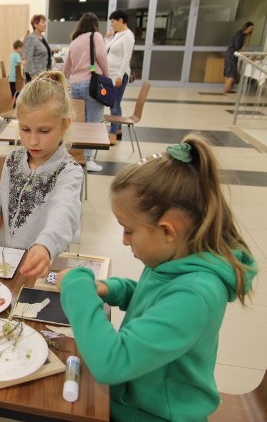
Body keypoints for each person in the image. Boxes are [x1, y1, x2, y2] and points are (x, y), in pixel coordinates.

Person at [58, 135, 257, 421]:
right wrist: (114, 289)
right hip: (135, 398)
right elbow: (152, 298)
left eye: (128, 230)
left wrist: (77, 286)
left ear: (167, 230)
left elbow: (110, 363)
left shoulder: (196, 295)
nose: (125, 241)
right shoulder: (174, 257)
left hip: (155, 414)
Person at [0, 71, 84, 280]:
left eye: (44, 131)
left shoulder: (68, 171)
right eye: (25, 129)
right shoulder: (13, 159)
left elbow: (65, 212)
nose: (33, 140)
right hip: (5, 262)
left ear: (65, 125)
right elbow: (5, 195)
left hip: (42, 265)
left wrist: (45, 245)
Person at [63, 12, 109, 172]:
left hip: (75, 84)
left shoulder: (74, 40)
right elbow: (102, 56)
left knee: (78, 122)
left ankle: (75, 156)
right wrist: (107, 75)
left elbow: (67, 66)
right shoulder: (95, 36)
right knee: (93, 123)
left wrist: (63, 80)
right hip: (92, 83)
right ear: (95, 24)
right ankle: (88, 159)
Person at [105, 9, 135, 144]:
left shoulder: (128, 35)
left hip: (119, 75)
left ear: (121, 20)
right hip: (111, 74)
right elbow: (106, 50)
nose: (112, 24)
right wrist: (108, 37)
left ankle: (112, 133)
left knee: (114, 104)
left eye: (113, 21)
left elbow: (126, 57)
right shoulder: (117, 34)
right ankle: (118, 129)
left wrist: (120, 76)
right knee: (115, 103)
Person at [224, 21, 254, 93]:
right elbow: (237, 46)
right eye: (249, 28)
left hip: (230, 53)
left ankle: (227, 88)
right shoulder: (240, 35)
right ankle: (226, 89)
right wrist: (243, 50)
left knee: (229, 71)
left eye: (251, 29)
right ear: (246, 27)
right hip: (232, 54)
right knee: (233, 72)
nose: (250, 30)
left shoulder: (241, 34)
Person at [22, 14, 52, 82]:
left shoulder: (42, 37)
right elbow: (28, 58)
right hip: (35, 74)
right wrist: (33, 75)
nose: (45, 24)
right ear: (35, 25)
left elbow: (44, 52)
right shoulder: (31, 38)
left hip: (43, 72)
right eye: (43, 22)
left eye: (45, 22)